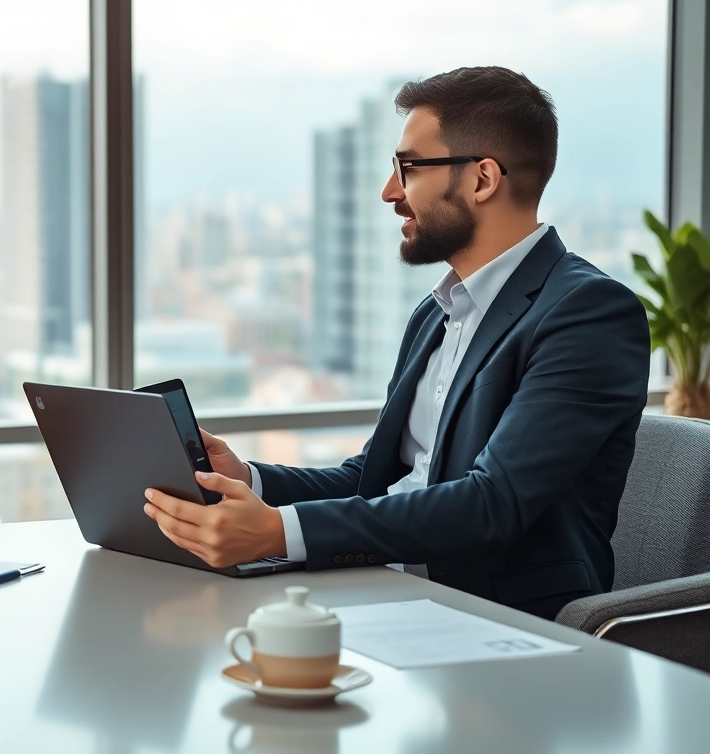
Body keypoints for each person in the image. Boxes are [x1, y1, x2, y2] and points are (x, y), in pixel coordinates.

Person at [142, 66, 650, 620]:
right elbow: (374, 479)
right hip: (395, 596)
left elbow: (493, 504)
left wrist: (277, 532)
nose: (390, 193)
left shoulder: (588, 314)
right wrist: (252, 480)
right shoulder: (435, 316)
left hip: (504, 620)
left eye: (407, 168)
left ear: (482, 180)